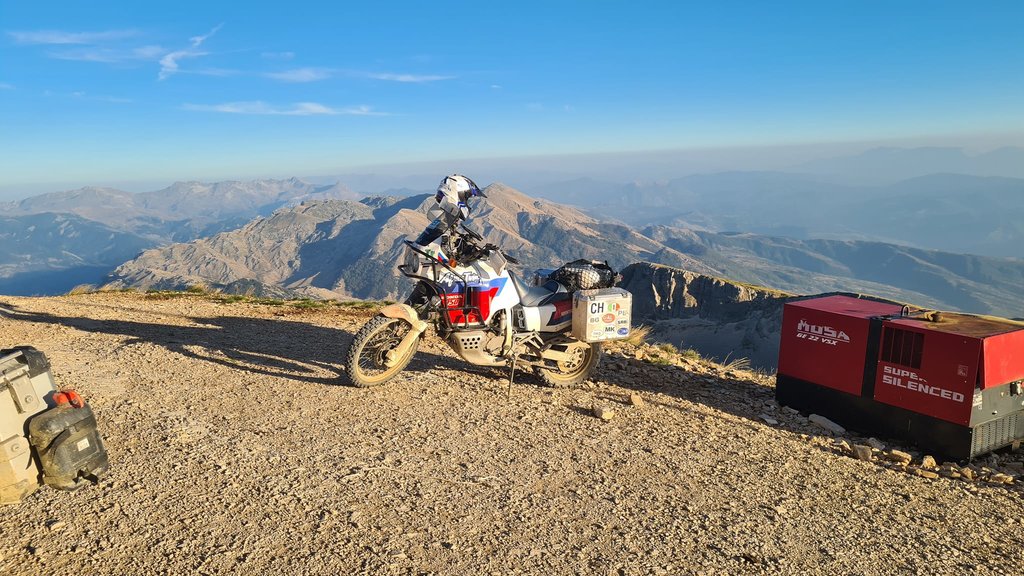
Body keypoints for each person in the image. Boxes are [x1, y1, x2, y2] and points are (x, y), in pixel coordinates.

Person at [414, 174, 486, 247]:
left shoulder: (447, 219)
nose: (467, 201)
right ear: (459, 195)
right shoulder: (445, 219)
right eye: (467, 198)